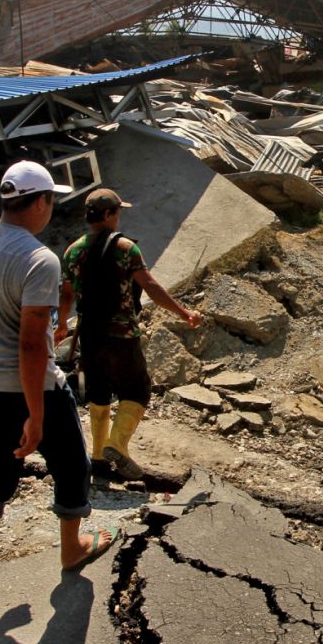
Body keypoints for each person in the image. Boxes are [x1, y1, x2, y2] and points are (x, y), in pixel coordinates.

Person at [0, 162, 117, 639]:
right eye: (51, 203)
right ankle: (72, 549)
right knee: (71, 463)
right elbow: (29, 345)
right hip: (32, 389)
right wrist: (36, 416)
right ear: (40, 202)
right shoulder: (40, 259)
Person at [59, 188, 202, 480]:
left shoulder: (73, 251)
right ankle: (118, 445)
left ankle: (98, 459)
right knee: (137, 390)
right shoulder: (125, 249)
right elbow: (150, 286)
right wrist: (184, 313)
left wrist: (61, 324)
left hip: (89, 333)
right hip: (121, 334)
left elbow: (66, 294)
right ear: (109, 214)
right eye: (118, 211)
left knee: (98, 395)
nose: (119, 216)